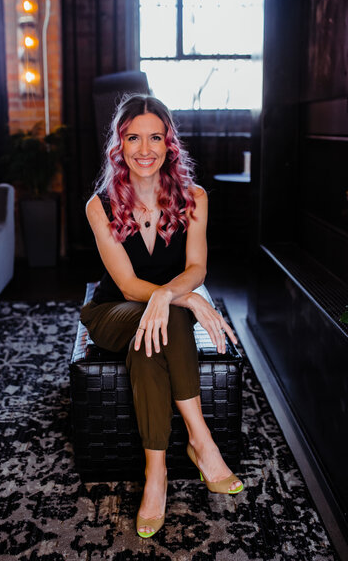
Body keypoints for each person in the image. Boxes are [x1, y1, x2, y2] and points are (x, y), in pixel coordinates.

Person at [80, 93, 244, 539]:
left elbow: (196, 268)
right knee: (166, 317)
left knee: (156, 337)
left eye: (156, 137)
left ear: (170, 144)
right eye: (134, 137)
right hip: (113, 311)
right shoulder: (101, 205)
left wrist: (174, 295)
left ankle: (156, 476)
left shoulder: (194, 197)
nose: (145, 149)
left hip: (159, 319)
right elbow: (130, 286)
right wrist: (186, 299)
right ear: (120, 143)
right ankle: (201, 442)